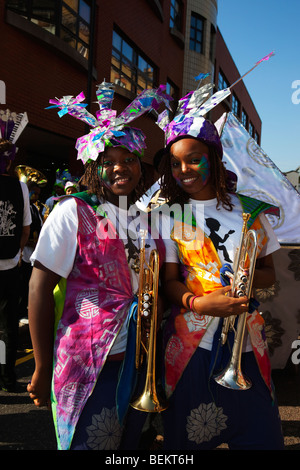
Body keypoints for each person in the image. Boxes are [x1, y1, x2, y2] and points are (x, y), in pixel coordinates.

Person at [27, 84, 170, 450]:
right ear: (94, 169)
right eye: (108, 161)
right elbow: (39, 287)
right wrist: (42, 367)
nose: (120, 167)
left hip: (139, 362)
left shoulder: (147, 221)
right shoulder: (73, 211)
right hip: (88, 361)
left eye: (129, 159)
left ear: (142, 167)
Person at [156, 90, 285, 450]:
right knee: (187, 442)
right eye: (175, 164)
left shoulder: (250, 209)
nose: (184, 171)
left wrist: (242, 279)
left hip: (247, 347)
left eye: (194, 160)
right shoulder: (168, 216)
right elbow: (167, 283)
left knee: (263, 438)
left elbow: (270, 275)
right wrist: (199, 304)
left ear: (214, 158)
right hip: (192, 349)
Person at [0, 113, 31, 392]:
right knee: (10, 328)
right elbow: (25, 229)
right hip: (10, 266)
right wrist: (17, 252)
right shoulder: (20, 186)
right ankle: (8, 378)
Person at [18, 180, 43, 322]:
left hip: (32, 253)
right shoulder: (22, 206)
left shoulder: (34, 208)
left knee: (27, 284)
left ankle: (23, 310)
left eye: (38, 194)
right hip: (23, 251)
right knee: (20, 285)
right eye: (34, 193)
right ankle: (19, 312)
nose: (36, 196)